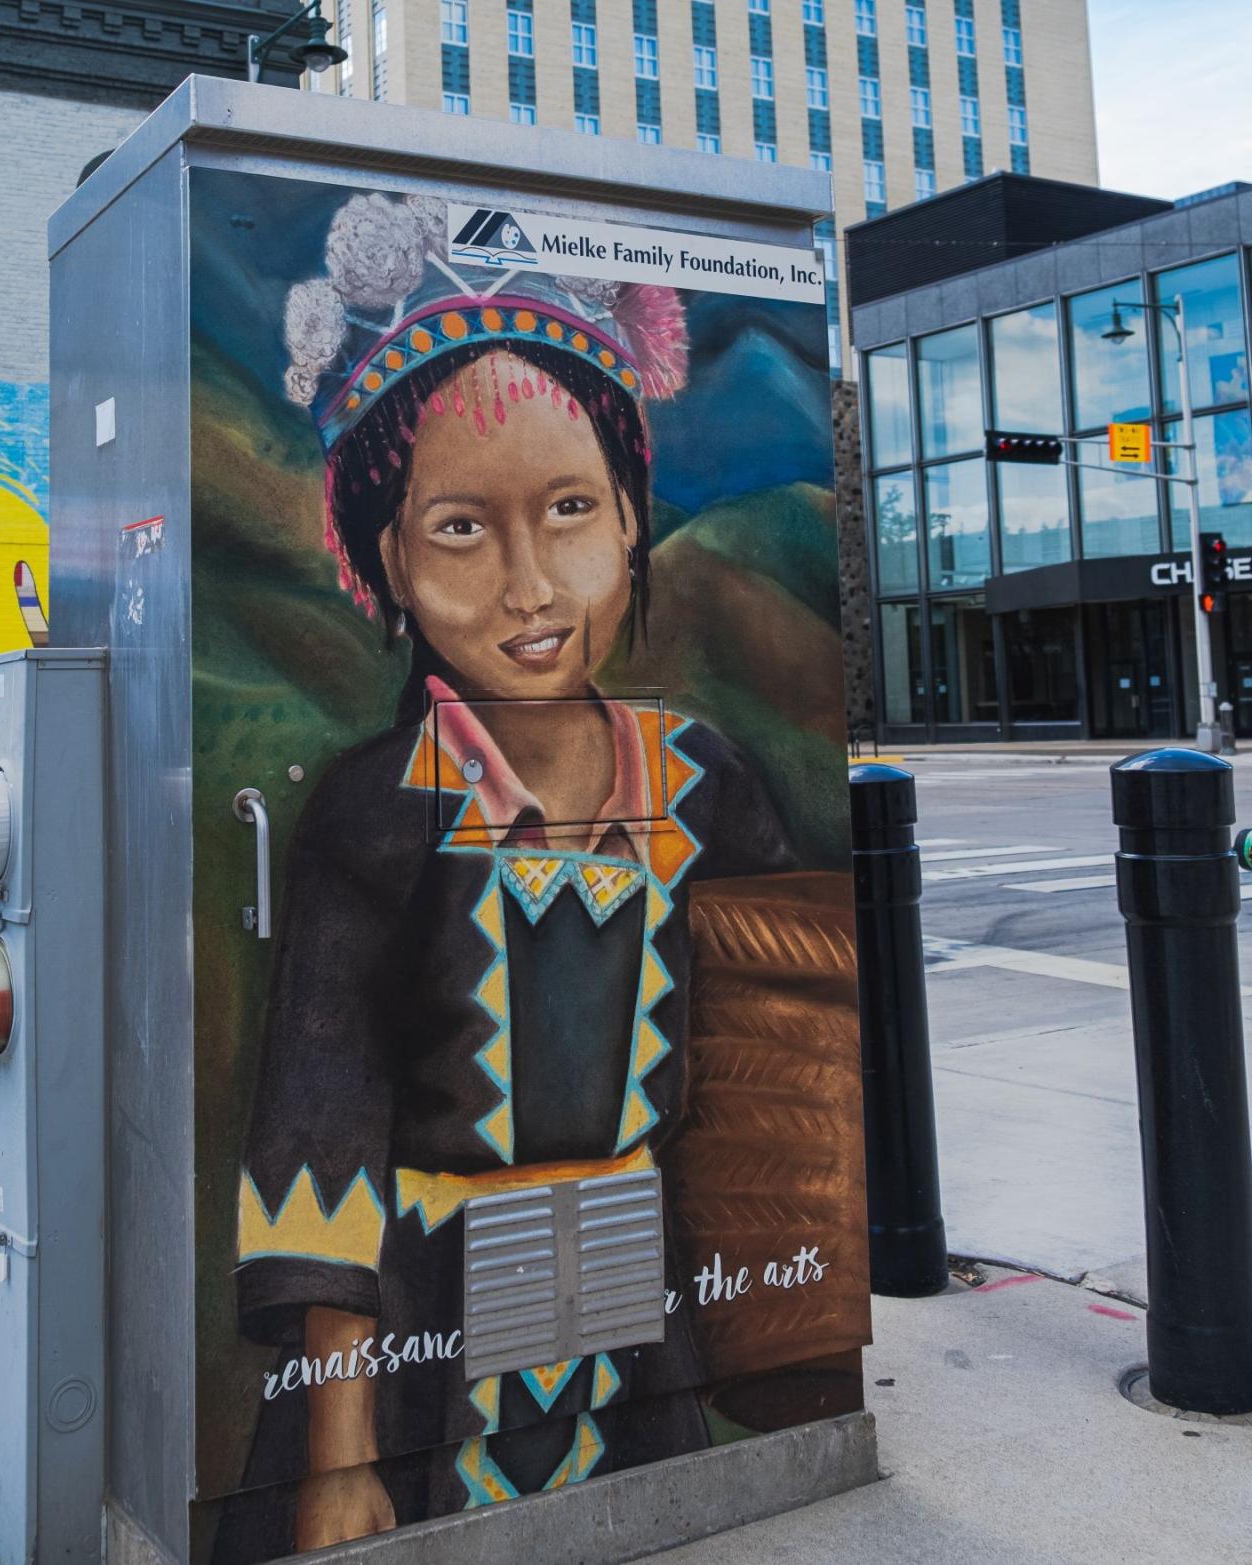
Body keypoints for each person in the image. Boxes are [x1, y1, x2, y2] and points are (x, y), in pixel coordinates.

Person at [217, 195, 794, 1563]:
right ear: (387, 563)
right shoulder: (379, 811)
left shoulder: (708, 783)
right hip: (427, 1342)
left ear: (633, 518)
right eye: (464, 529)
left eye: (573, 510)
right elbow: (323, 1128)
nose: (535, 586)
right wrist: (344, 1456)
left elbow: (780, 1068)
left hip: (641, 1334)